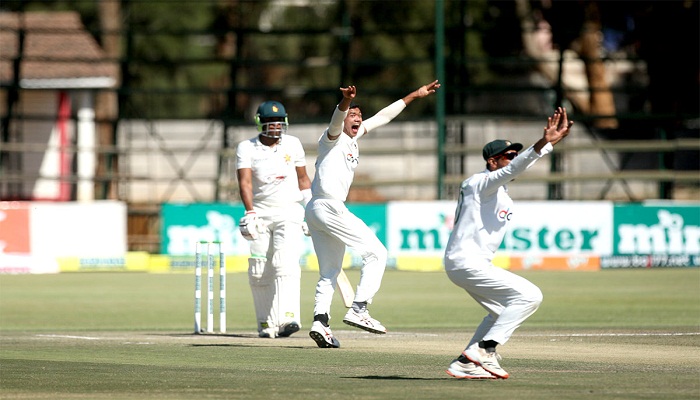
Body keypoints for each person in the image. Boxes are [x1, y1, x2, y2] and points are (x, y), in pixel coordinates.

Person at [305, 80, 441, 348]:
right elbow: (337, 118)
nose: (356, 119)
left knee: (329, 272)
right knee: (377, 253)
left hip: (317, 209)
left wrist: (414, 94)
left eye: (359, 116)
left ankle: (320, 321)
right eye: (352, 116)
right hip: (329, 206)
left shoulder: (354, 138)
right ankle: (359, 309)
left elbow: (384, 116)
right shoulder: (332, 137)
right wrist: (344, 102)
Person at [444, 107, 573, 379]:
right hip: (468, 262)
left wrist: (547, 146)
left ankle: (465, 362)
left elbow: (517, 167)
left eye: (515, 154)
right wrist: (542, 143)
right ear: (492, 162)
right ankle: (486, 349)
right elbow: (517, 167)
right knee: (530, 295)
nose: (513, 159)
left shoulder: (496, 189)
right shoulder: (481, 183)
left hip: (466, 263)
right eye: (508, 156)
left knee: (501, 313)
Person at [236, 100, 312, 338]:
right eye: (270, 122)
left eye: (278, 122)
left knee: (284, 262)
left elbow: (303, 179)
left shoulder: (293, 144)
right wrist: (250, 211)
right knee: (259, 268)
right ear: (260, 123)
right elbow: (245, 183)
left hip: (289, 210)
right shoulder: (246, 148)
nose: (275, 127)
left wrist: (310, 210)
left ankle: (289, 317)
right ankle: (266, 323)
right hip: (260, 211)